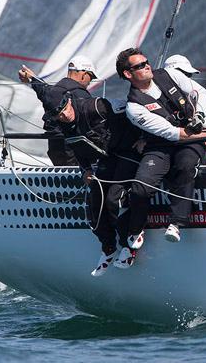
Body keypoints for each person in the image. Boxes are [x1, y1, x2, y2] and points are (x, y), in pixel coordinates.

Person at [115, 47, 206, 267]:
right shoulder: (134, 107)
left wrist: (200, 116)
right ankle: (135, 231)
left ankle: (177, 222)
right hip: (163, 144)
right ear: (128, 74)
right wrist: (202, 132)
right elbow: (172, 133)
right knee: (140, 187)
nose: (147, 66)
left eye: (146, 62)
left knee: (185, 164)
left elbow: (201, 93)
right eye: (140, 65)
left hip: (190, 141)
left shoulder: (171, 75)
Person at [44, 91, 141, 275]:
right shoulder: (63, 122)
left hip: (129, 152)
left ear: (69, 102)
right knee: (94, 202)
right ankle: (108, 247)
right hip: (108, 157)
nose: (63, 115)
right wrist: (86, 170)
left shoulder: (96, 106)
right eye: (58, 115)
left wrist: (143, 139)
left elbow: (132, 110)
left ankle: (130, 243)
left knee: (114, 198)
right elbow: (76, 146)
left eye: (64, 110)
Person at [18, 56, 96, 165]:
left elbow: (42, 89)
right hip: (74, 153)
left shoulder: (52, 91)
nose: (89, 82)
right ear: (84, 74)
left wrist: (32, 78)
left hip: (55, 149)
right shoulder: (82, 96)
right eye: (91, 77)